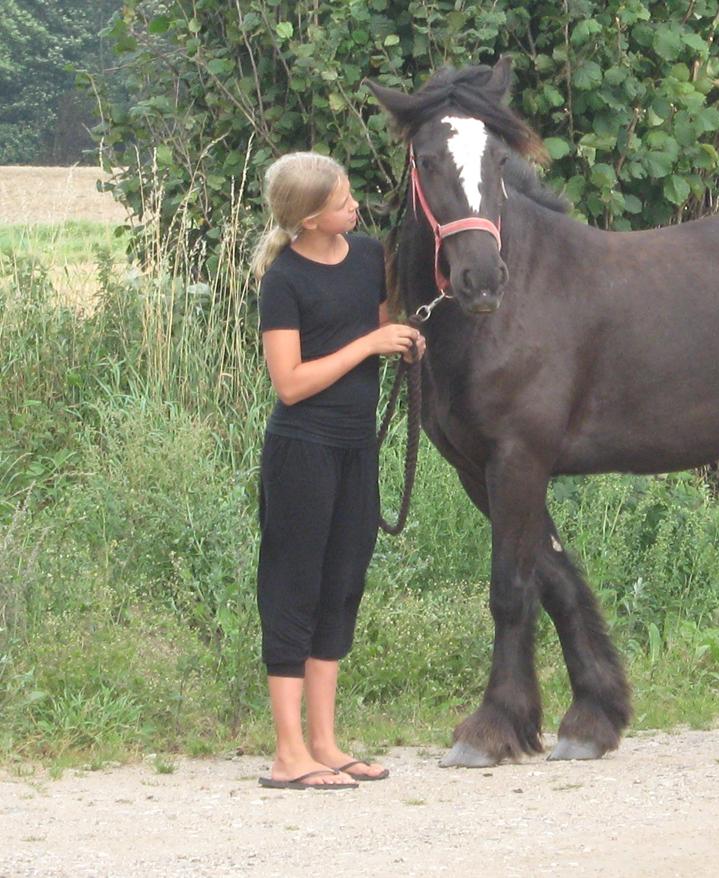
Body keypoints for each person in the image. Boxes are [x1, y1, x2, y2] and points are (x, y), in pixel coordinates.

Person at [250, 152, 424, 790]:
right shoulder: (284, 280)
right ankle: (286, 752)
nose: (356, 204)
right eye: (344, 198)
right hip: (301, 451)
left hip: (356, 448)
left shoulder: (368, 254)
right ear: (311, 215)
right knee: (292, 587)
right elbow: (291, 383)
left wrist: (403, 339)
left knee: (343, 584)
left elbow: (380, 328)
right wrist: (369, 346)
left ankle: (323, 743)